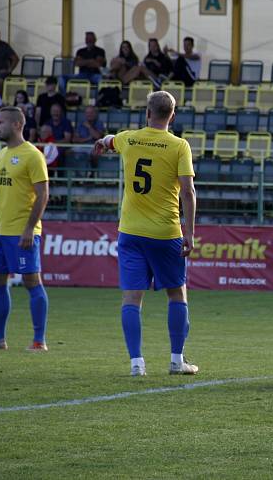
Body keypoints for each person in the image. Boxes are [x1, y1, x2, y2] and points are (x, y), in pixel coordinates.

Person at [94, 91, 197, 377]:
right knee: (177, 294)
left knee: (131, 299)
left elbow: (109, 140)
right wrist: (189, 232)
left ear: (147, 113)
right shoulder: (179, 146)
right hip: (166, 232)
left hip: (131, 232)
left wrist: (101, 143)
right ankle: (177, 360)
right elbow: (188, 190)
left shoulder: (129, 138)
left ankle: (136, 363)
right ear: (172, 116)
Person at [0, 107, 50, 351]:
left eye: (0, 122)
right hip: (1, 232)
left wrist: (29, 229)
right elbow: (0, 192)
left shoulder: (32, 155)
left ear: (17, 125)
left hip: (22, 233)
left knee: (31, 281)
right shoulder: (2, 154)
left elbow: (43, 195)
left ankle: (39, 341)